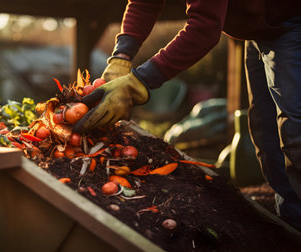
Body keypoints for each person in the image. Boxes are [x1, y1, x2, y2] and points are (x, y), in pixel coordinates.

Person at [73, 0, 301, 231]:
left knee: (295, 131)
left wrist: (137, 82)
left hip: (291, 21)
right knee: (266, 133)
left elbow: (204, 29)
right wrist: (121, 56)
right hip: (258, 29)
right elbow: (144, 3)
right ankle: (292, 224)